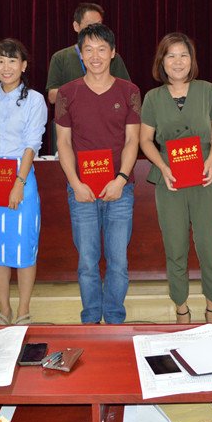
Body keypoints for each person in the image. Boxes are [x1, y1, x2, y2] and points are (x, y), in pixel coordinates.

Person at [56, 23, 140, 324]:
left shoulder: (130, 91)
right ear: (80, 54)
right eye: (88, 49)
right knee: (87, 262)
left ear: (113, 53)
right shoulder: (66, 93)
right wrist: (75, 183)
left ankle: (115, 320)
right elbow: (63, 143)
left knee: (118, 262)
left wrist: (121, 179)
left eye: (102, 49)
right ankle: (90, 320)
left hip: (120, 189)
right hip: (81, 190)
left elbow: (132, 140)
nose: (95, 56)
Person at [140, 33, 212, 323]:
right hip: (170, 181)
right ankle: (181, 308)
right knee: (175, 247)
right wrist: (163, 167)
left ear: (192, 60)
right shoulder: (153, 98)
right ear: (162, 61)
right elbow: (145, 140)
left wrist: (211, 160)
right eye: (171, 56)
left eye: (184, 55)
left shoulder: (206, 90)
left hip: (204, 177)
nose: (178, 62)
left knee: (209, 246)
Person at [0, 39, 47, 325]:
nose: (6, 67)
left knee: (23, 246)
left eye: (12, 61)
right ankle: (4, 310)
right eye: (0, 61)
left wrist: (19, 183)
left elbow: (31, 144)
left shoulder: (34, 100)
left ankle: (24, 310)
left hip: (20, 176)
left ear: (23, 65)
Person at [46, 3, 131, 105]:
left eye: (98, 25)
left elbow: (128, 92)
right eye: (89, 25)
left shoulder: (113, 57)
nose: (94, 30)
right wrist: (85, 90)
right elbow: (52, 97)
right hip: (75, 113)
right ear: (76, 26)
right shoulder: (60, 57)